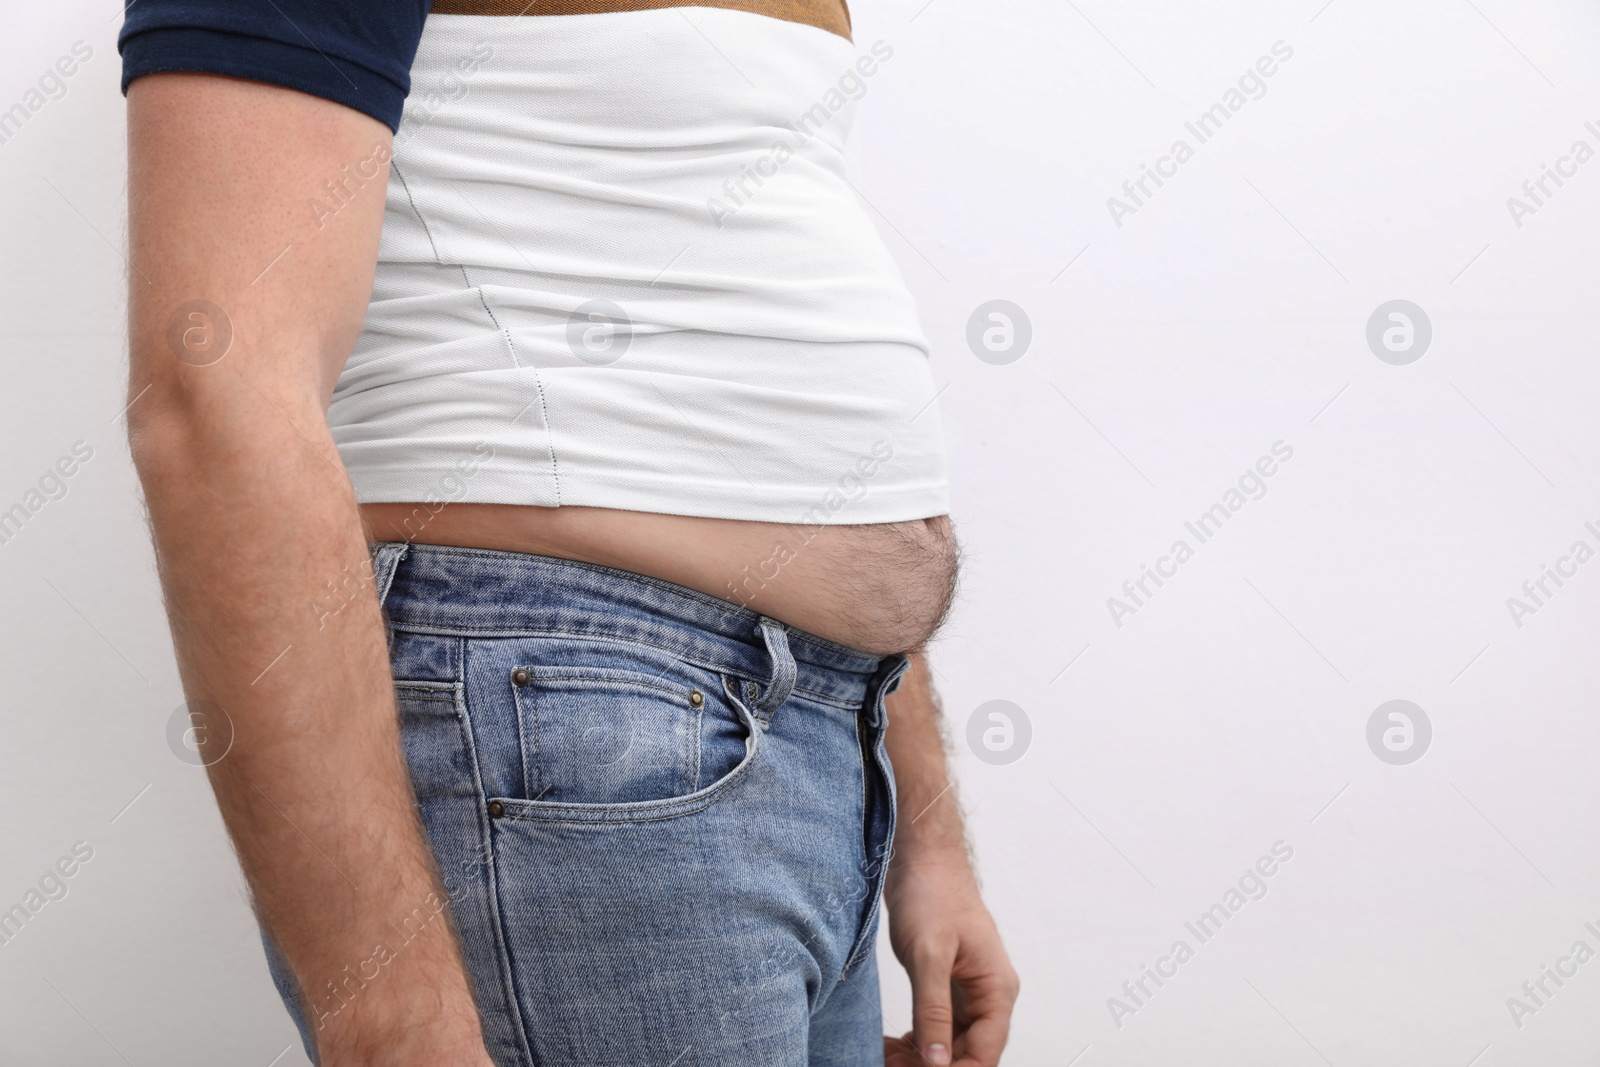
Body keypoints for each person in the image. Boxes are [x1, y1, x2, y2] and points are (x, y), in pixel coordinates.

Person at [119, 0, 1018, 1063]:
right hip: (577, 724)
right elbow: (213, 392)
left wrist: (925, 831)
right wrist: (394, 1022)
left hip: (814, 745)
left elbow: (775, 364)